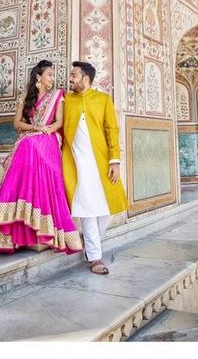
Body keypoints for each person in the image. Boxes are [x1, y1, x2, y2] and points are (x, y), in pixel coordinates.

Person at [0, 60, 82, 256]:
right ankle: (18, 235)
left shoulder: (57, 96)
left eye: (53, 75)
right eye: (49, 74)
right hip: (31, 137)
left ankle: (43, 231)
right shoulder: (26, 97)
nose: (53, 78)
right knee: (27, 145)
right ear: (39, 77)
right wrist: (36, 128)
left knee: (30, 145)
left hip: (49, 138)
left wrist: (44, 131)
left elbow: (58, 122)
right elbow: (17, 123)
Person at [62, 61, 128, 274]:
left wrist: (115, 161)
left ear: (85, 79)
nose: (70, 78)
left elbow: (112, 129)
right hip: (76, 164)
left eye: (74, 75)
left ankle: (92, 242)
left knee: (108, 209)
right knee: (88, 210)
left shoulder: (102, 99)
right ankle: (95, 258)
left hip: (101, 162)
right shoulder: (66, 100)